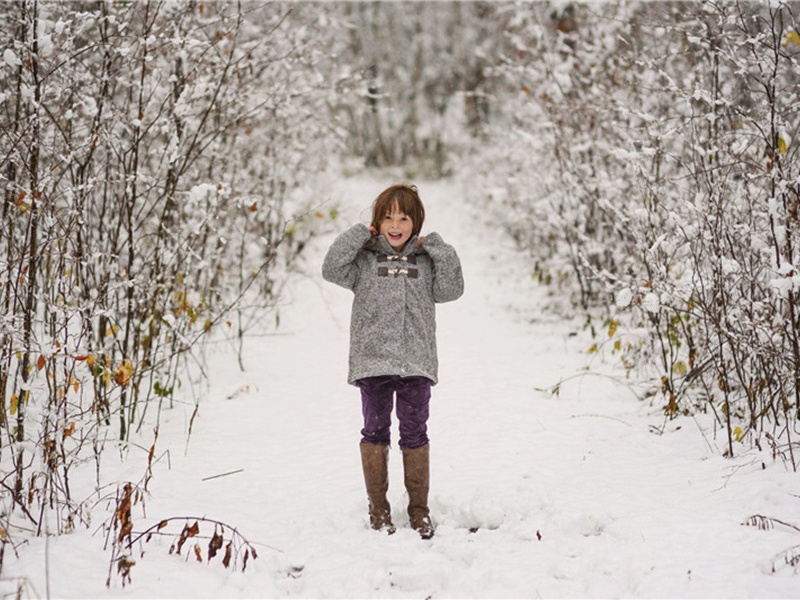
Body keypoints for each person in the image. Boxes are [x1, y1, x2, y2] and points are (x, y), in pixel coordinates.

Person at [322, 183, 464, 539]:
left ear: (416, 222)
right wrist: (359, 235)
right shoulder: (364, 261)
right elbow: (331, 268)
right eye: (387, 218)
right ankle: (379, 508)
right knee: (375, 431)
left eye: (403, 218)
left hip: (416, 362)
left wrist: (438, 247)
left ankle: (419, 510)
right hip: (373, 363)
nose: (395, 225)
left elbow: (451, 290)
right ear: (377, 223)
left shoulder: (426, 261)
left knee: (415, 432)